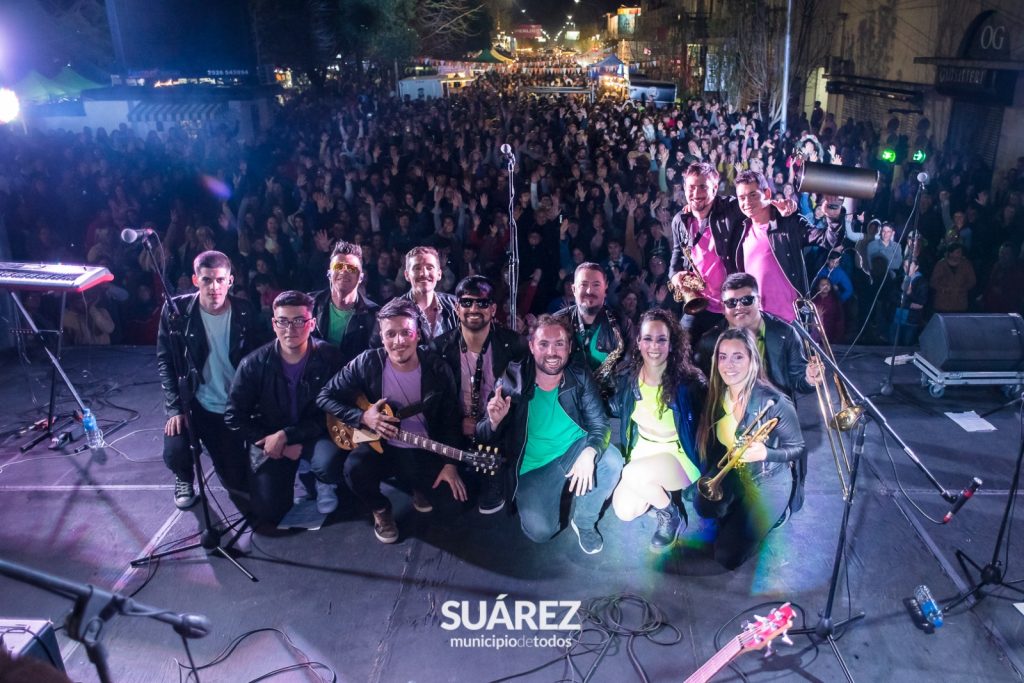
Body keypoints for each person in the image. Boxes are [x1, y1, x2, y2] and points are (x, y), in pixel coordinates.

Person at [317, 298, 466, 544]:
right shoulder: (366, 362)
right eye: (391, 334)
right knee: (354, 469)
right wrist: (363, 416)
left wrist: (450, 464)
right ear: (381, 336)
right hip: (381, 447)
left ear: (418, 335)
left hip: (422, 449)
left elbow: (451, 419)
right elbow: (325, 396)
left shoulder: (438, 368)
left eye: (406, 332)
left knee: (452, 507)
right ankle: (380, 508)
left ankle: (416, 487)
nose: (399, 341)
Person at [477, 315, 624, 554]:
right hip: (534, 467)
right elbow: (482, 435)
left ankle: (584, 521)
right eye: (544, 344)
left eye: (559, 344)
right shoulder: (511, 380)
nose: (552, 352)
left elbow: (600, 424)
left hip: (574, 448)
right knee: (541, 532)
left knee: (612, 461)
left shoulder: (579, 374)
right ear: (532, 346)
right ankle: (555, 493)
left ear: (569, 347)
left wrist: (589, 452)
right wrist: (493, 422)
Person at [225, 291, 346, 526]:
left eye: (299, 321)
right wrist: (275, 443)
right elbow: (234, 416)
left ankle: (319, 479)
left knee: (329, 464)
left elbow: (336, 409)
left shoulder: (330, 357)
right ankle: (297, 470)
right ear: (274, 324)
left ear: (312, 324)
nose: (290, 329)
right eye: (283, 321)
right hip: (270, 437)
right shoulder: (253, 364)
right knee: (269, 512)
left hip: (314, 433)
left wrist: (288, 435)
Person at [156, 250, 264, 509]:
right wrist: (175, 408)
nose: (214, 287)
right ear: (196, 280)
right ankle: (184, 476)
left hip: (231, 406)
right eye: (207, 280)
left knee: (236, 480)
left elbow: (259, 360)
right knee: (176, 449)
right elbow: (165, 361)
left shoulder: (245, 311)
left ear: (230, 281)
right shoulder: (177, 312)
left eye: (220, 280)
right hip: (194, 403)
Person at [694, 328, 806, 570]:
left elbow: (798, 448)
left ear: (752, 360)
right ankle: (739, 509)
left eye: (738, 357)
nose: (729, 365)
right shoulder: (718, 394)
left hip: (768, 480)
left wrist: (766, 453)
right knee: (703, 505)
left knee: (726, 557)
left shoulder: (774, 401)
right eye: (723, 357)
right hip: (736, 471)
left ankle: (776, 513)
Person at [611, 309, 706, 553]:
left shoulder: (689, 382)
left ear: (672, 344)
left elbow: (710, 420)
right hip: (643, 449)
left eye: (662, 339)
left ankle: (670, 515)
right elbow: (614, 406)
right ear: (639, 342)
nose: (654, 346)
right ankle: (658, 493)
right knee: (624, 511)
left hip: (677, 454)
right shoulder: (628, 377)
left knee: (632, 473)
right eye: (648, 339)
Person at [437, 275, 527, 514]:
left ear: (493, 309)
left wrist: (489, 423)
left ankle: (494, 476)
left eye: (482, 303)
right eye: (466, 302)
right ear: (456, 308)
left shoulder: (514, 344)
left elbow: (518, 397)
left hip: (497, 429)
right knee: (448, 505)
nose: (474, 309)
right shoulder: (439, 348)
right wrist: (458, 424)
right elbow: (437, 403)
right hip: (455, 430)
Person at [694, 272, 819, 400]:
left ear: (758, 301)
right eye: (731, 302)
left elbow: (798, 380)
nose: (739, 307)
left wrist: (810, 378)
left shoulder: (786, 333)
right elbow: (703, 389)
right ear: (723, 307)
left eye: (747, 300)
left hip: (777, 409)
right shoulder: (709, 342)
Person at [733, 170, 813, 322]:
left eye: (753, 195)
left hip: (789, 320)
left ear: (767, 193)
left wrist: (834, 214)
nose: (747, 202)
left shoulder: (787, 224)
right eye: (741, 198)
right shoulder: (741, 229)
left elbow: (827, 239)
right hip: (756, 320)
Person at [555, 263, 629, 400]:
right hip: (565, 400)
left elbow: (631, 366)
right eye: (584, 285)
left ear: (605, 288)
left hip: (609, 403)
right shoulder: (557, 322)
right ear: (573, 289)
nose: (589, 291)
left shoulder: (622, 323)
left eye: (596, 285)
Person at [310, 241, 380, 366]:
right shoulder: (310, 305)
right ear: (329, 273)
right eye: (338, 266)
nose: (344, 271)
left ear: (361, 277)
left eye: (351, 268)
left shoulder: (374, 316)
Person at [398, 245, 459, 341]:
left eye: (430, 268)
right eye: (417, 268)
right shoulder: (395, 310)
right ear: (407, 275)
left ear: (439, 274)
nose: (424, 273)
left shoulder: (455, 305)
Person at [930, 244, 976, 313]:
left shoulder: (966, 264)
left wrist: (963, 288)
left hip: (960, 303)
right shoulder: (941, 264)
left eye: (961, 252)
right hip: (943, 303)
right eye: (958, 252)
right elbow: (933, 282)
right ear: (950, 253)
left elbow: (972, 280)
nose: (960, 254)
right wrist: (943, 289)